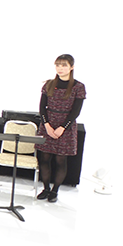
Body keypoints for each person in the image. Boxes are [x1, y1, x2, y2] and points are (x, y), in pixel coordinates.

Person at [35, 54, 86, 203]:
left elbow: (76, 111)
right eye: (58, 65)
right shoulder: (49, 84)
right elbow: (42, 108)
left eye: (64, 65)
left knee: (60, 160)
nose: (60, 68)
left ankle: (55, 190)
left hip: (66, 127)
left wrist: (62, 128)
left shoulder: (78, 87)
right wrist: (47, 125)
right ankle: (45, 188)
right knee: (44, 158)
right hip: (48, 125)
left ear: (72, 67)